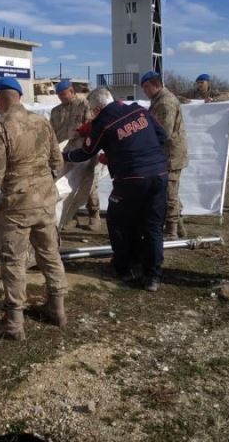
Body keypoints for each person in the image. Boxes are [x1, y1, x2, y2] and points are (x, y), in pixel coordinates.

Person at [0, 77, 67, 340]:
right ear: (20, 97)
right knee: (49, 253)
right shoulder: (42, 122)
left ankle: (14, 322)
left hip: (16, 206)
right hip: (46, 201)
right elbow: (57, 162)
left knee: (13, 261)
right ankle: (57, 309)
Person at [64, 88, 168, 292]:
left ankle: (124, 268)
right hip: (159, 174)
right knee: (152, 226)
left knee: (117, 221)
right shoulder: (139, 111)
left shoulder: (104, 123)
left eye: (93, 111)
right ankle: (152, 277)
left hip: (131, 178)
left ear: (96, 109)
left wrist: (64, 157)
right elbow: (162, 136)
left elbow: (86, 152)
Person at [140, 71, 189, 240]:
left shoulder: (165, 102)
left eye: (146, 86)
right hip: (166, 154)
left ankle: (172, 231)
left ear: (156, 84)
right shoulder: (158, 100)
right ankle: (180, 228)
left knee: (169, 193)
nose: (144, 90)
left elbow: (164, 133)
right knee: (169, 191)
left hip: (170, 155)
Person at [50, 79, 101, 230]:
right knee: (64, 184)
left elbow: (93, 127)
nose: (61, 97)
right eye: (59, 95)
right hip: (64, 153)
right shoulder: (56, 111)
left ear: (72, 91)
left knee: (88, 183)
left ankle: (94, 213)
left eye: (63, 94)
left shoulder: (84, 105)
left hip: (83, 151)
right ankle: (70, 216)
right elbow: (51, 132)